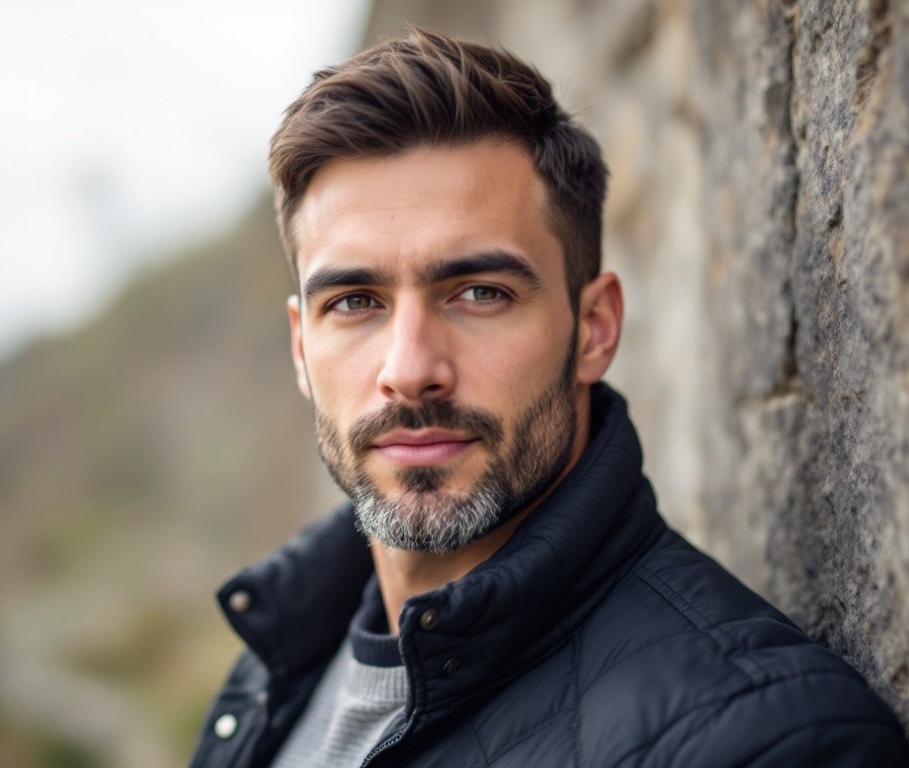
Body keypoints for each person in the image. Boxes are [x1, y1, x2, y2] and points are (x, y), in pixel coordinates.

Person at [188, 27, 907, 768]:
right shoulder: (282, 663)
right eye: (354, 301)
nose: (410, 369)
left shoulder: (766, 743)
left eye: (478, 293)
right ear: (302, 349)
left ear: (594, 329)